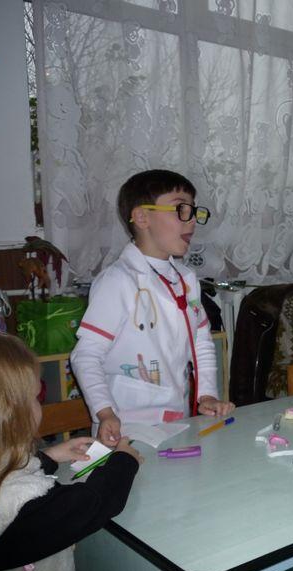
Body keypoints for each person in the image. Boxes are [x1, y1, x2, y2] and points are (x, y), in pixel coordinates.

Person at [71, 169, 234, 447]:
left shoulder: (186, 279)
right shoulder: (117, 281)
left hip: (176, 421)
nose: (192, 220)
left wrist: (206, 395)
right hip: (125, 428)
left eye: (194, 211)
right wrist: (105, 412)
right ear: (142, 217)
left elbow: (202, 344)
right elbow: (85, 356)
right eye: (181, 209)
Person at [0, 331, 141, 571]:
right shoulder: (13, 510)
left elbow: (9, 472)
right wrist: (125, 460)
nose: (39, 404)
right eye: (35, 397)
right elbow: (91, 504)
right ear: (9, 415)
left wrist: (49, 457)